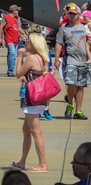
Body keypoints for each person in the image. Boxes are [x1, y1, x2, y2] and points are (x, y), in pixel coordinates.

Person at [12, 32, 49, 173]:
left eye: (28, 42)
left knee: (36, 132)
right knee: (26, 130)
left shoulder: (31, 58)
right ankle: (22, 162)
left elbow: (17, 73)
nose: (26, 43)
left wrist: (20, 56)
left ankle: (42, 164)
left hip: (32, 99)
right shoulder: (41, 58)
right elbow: (37, 74)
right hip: (39, 98)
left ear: (34, 44)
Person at [54, 2, 91, 120]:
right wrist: (56, 59)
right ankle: (70, 103)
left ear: (79, 14)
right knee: (71, 84)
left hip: (84, 60)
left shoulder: (84, 27)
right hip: (71, 59)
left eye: (74, 14)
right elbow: (59, 43)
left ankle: (78, 110)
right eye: (70, 13)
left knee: (81, 86)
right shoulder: (64, 28)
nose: (71, 16)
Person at [4, 5, 23, 78]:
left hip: (15, 39)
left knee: (14, 55)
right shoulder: (6, 17)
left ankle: (10, 70)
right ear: (13, 10)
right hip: (9, 39)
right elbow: (1, 27)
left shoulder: (15, 19)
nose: (18, 12)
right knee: (12, 53)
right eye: (17, 10)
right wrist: (1, 38)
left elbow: (18, 28)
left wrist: (24, 33)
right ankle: (10, 71)